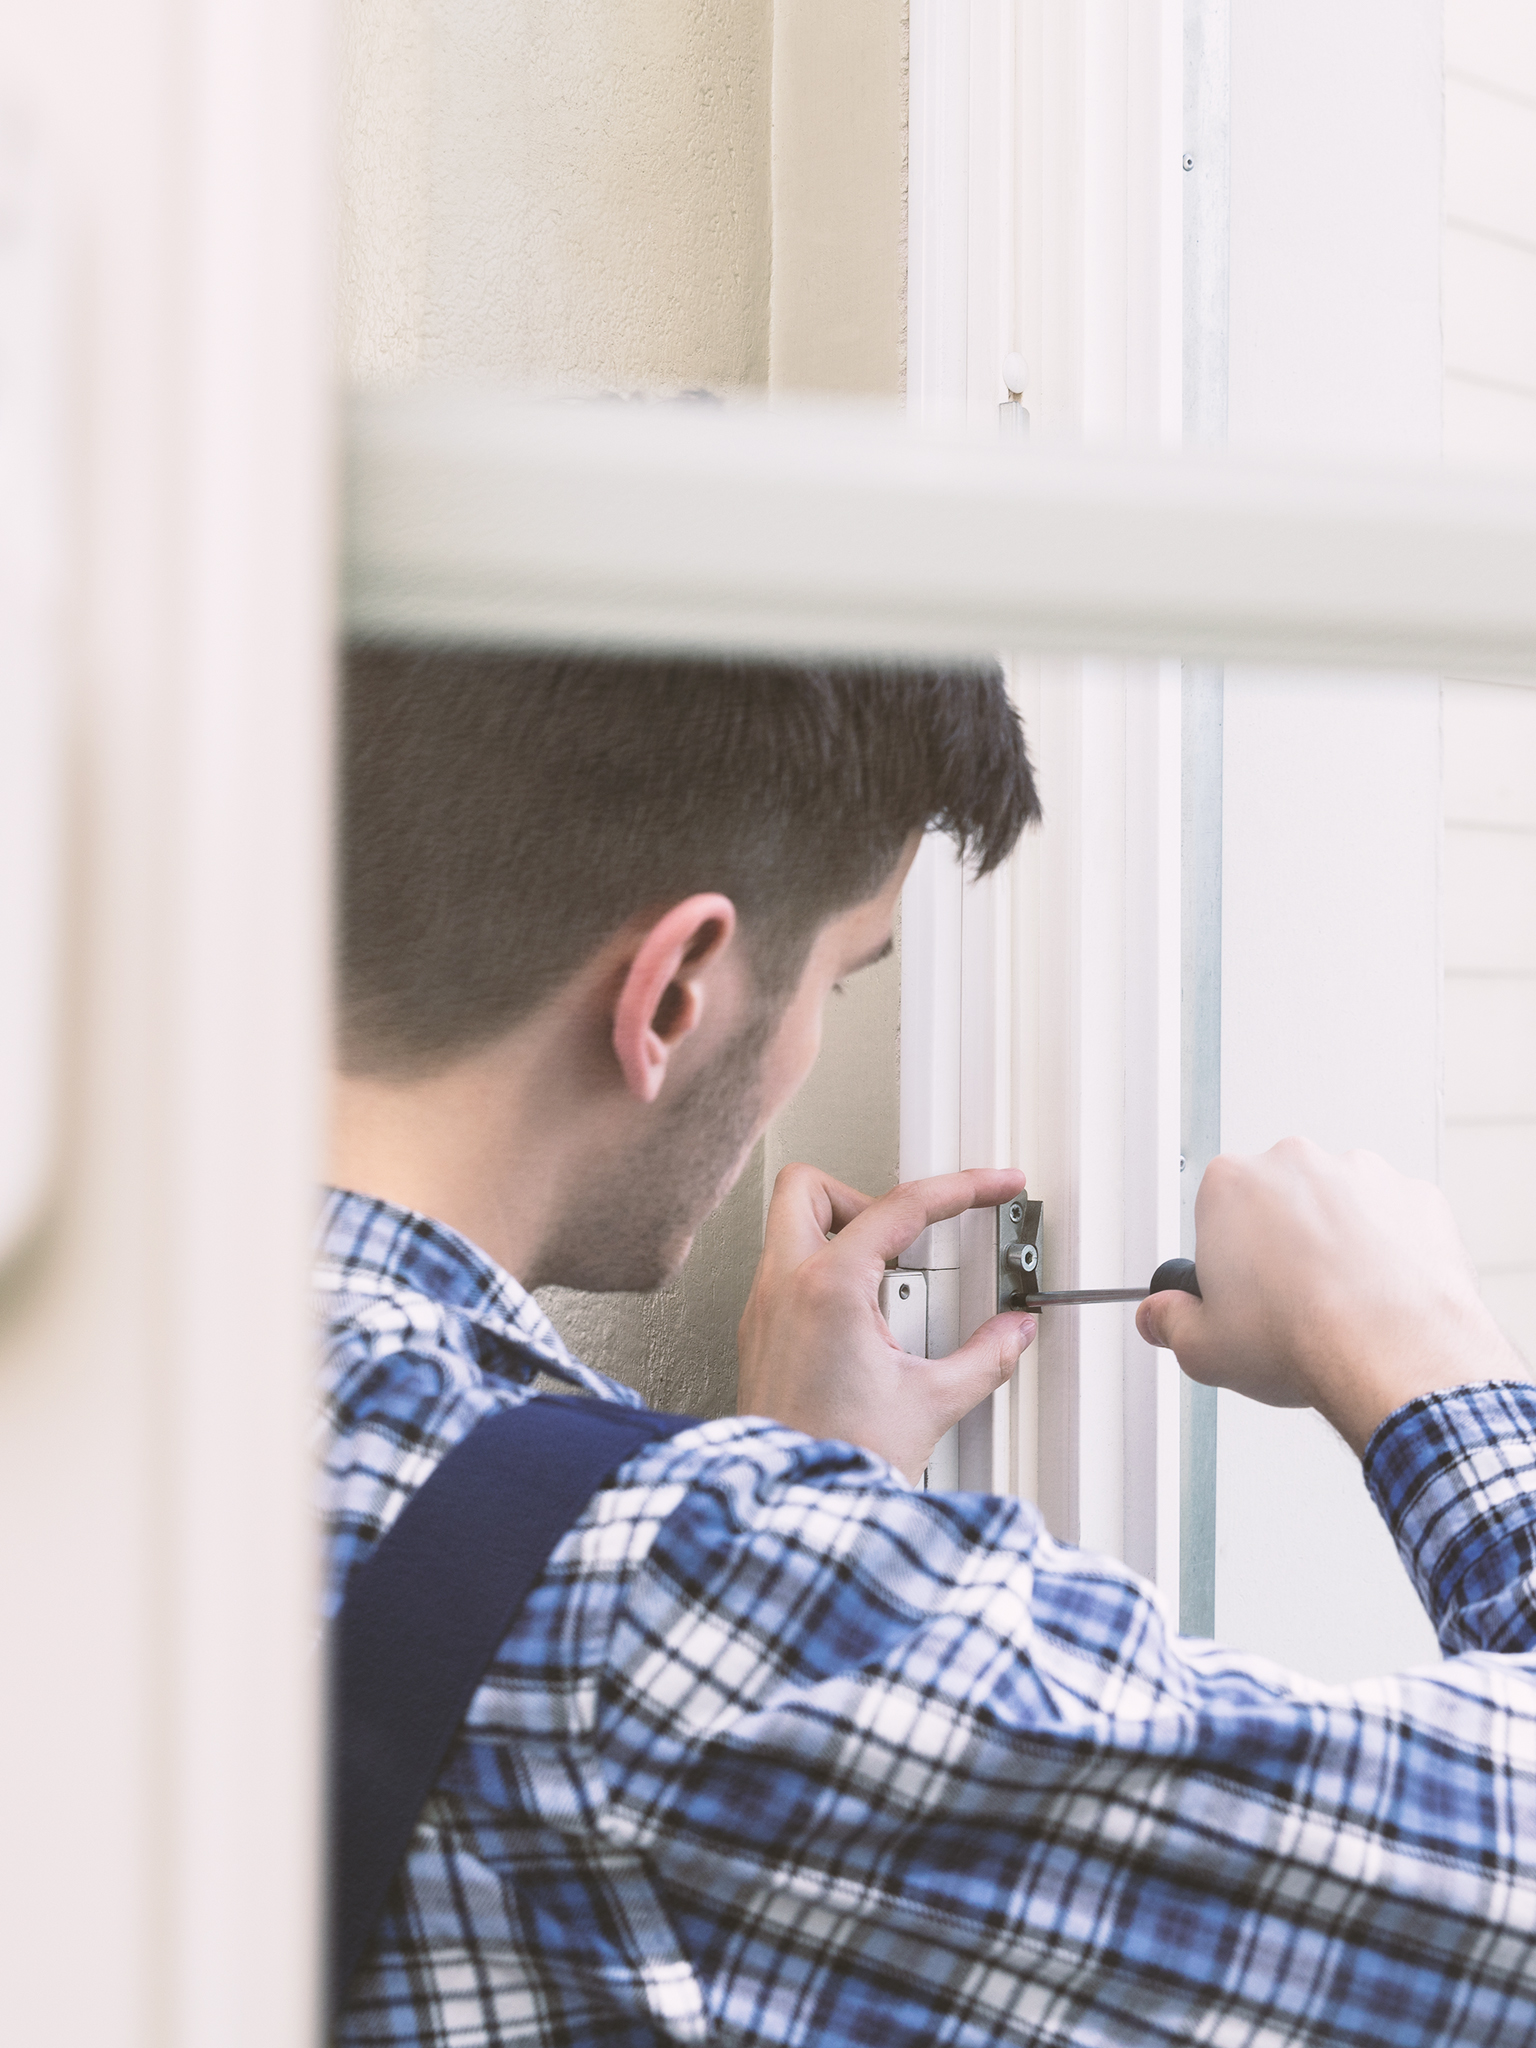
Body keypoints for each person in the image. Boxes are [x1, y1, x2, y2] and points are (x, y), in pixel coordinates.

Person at [321, 642, 1536, 2047]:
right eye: (844, 976)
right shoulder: (652, 1611)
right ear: (673, 996)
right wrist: (1425, 1358)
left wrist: (793, 1479)